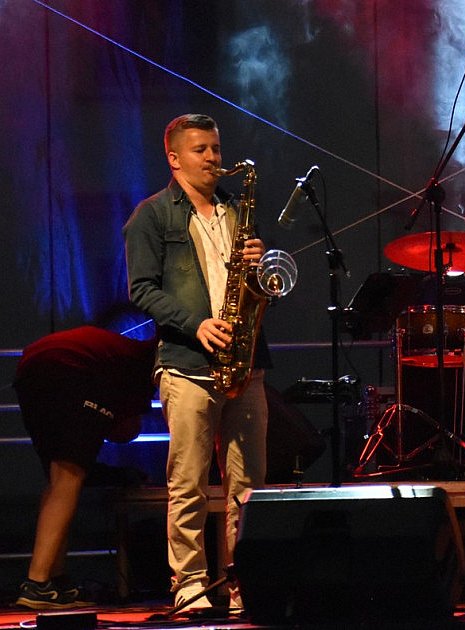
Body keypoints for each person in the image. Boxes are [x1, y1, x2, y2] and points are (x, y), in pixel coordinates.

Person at [123, 113, 271, 612]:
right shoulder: (152, 215)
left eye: (215, 148)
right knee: (188, 482)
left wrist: (259, 266)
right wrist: (197, 324)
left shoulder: (235, 210)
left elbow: (252, 290)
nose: (212, 158)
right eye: (200, 150)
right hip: (187, 363)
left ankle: (243, 580)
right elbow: (141, 289)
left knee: (247, 486)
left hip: (244, 364)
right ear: (174, 158)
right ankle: (189, 584)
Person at [12, 326, 156, 609]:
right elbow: (128, 431)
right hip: (67, 370)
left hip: (31, 368)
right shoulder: (141, 368)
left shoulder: (120, 353)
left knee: (58, 480)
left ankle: (55, 579)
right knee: (69, 476)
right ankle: (37, 583)